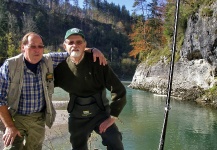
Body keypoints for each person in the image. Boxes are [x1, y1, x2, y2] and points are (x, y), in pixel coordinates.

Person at [0, 31, 106, 150]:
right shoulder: (10, 66)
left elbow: (73, 52)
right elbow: (0, 99)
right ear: (23, 47)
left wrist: (92, 50)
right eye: (33, 46)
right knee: (12, 148)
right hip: (14, 117)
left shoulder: (48, 60)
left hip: (38, 119)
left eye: (40, 46)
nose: (37, 50)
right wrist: (9, 126)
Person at [54, 28, 126, 150]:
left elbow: (119, 90)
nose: (75, 45)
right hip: (77, 117)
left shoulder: (98, 62)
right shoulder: (60, 69)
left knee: (115, 141)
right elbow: (45, 87)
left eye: (79, 42)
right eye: (70, 42)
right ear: (64, 46)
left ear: (85, 44)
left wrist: (112, 118)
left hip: (101, 113)